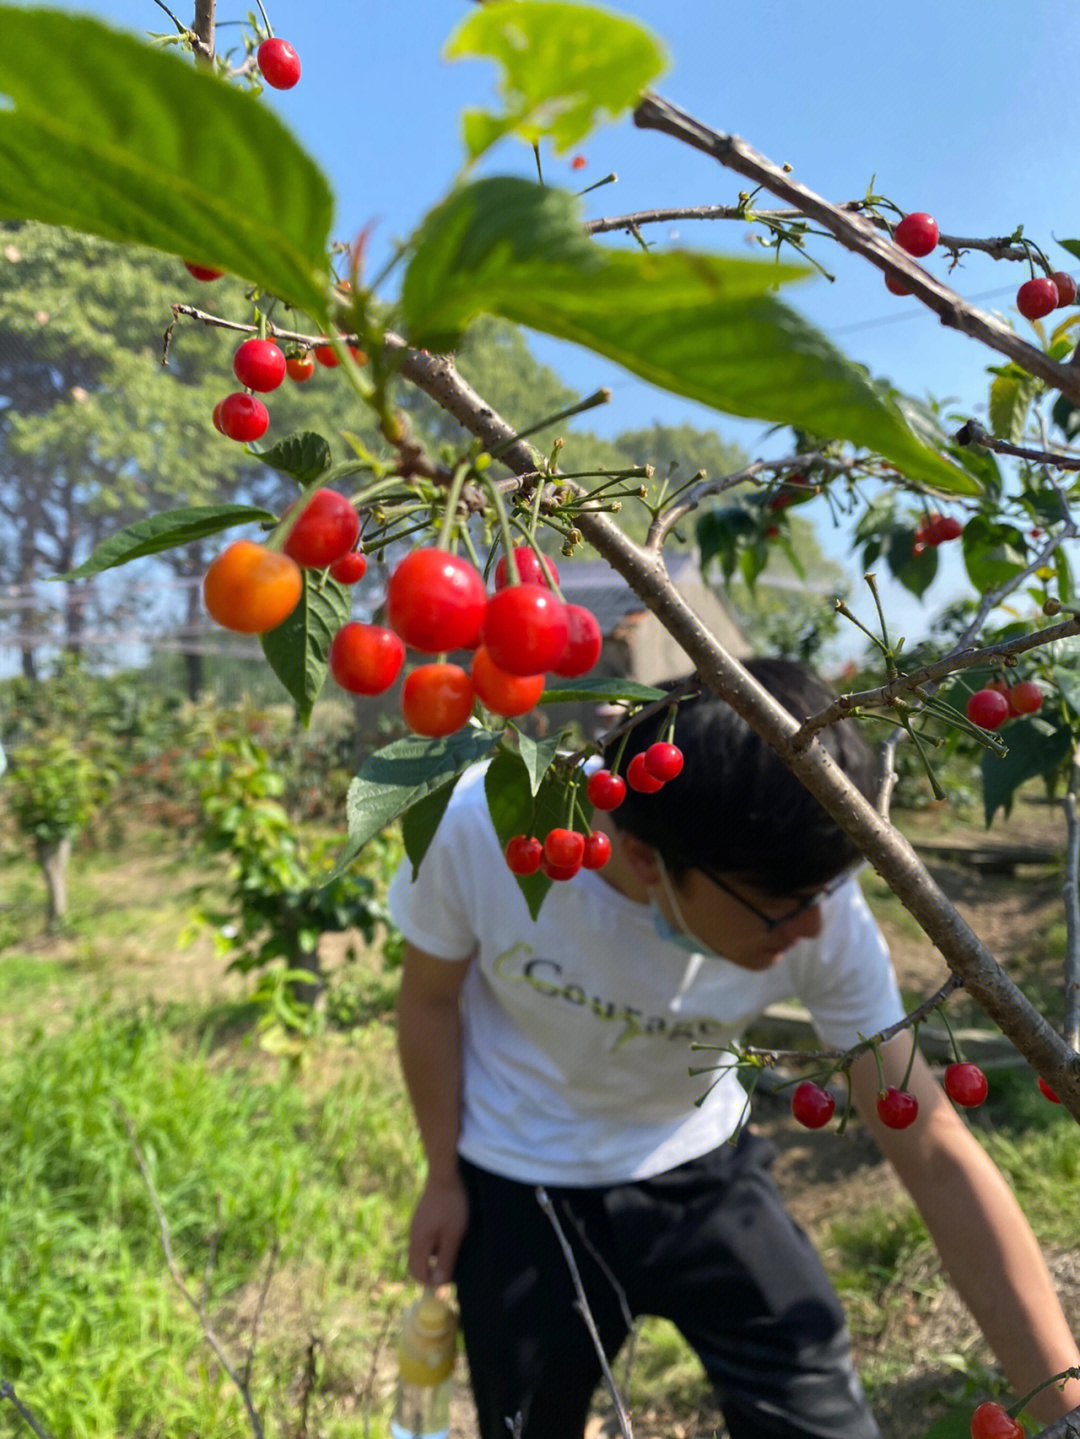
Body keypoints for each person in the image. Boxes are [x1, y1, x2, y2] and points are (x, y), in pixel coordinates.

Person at [389, 657, 1080, 1439]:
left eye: (825, 894)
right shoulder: (491, 829)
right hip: (522, 1178)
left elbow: (927, 1140)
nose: (813, 929)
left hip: (700, 1162)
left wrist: (1068, 1413)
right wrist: (442, 1176)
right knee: (525, 1421)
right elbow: (429, 998)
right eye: (781, 910)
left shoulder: (814, 906)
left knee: (817, 1410)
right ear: (649, 860)